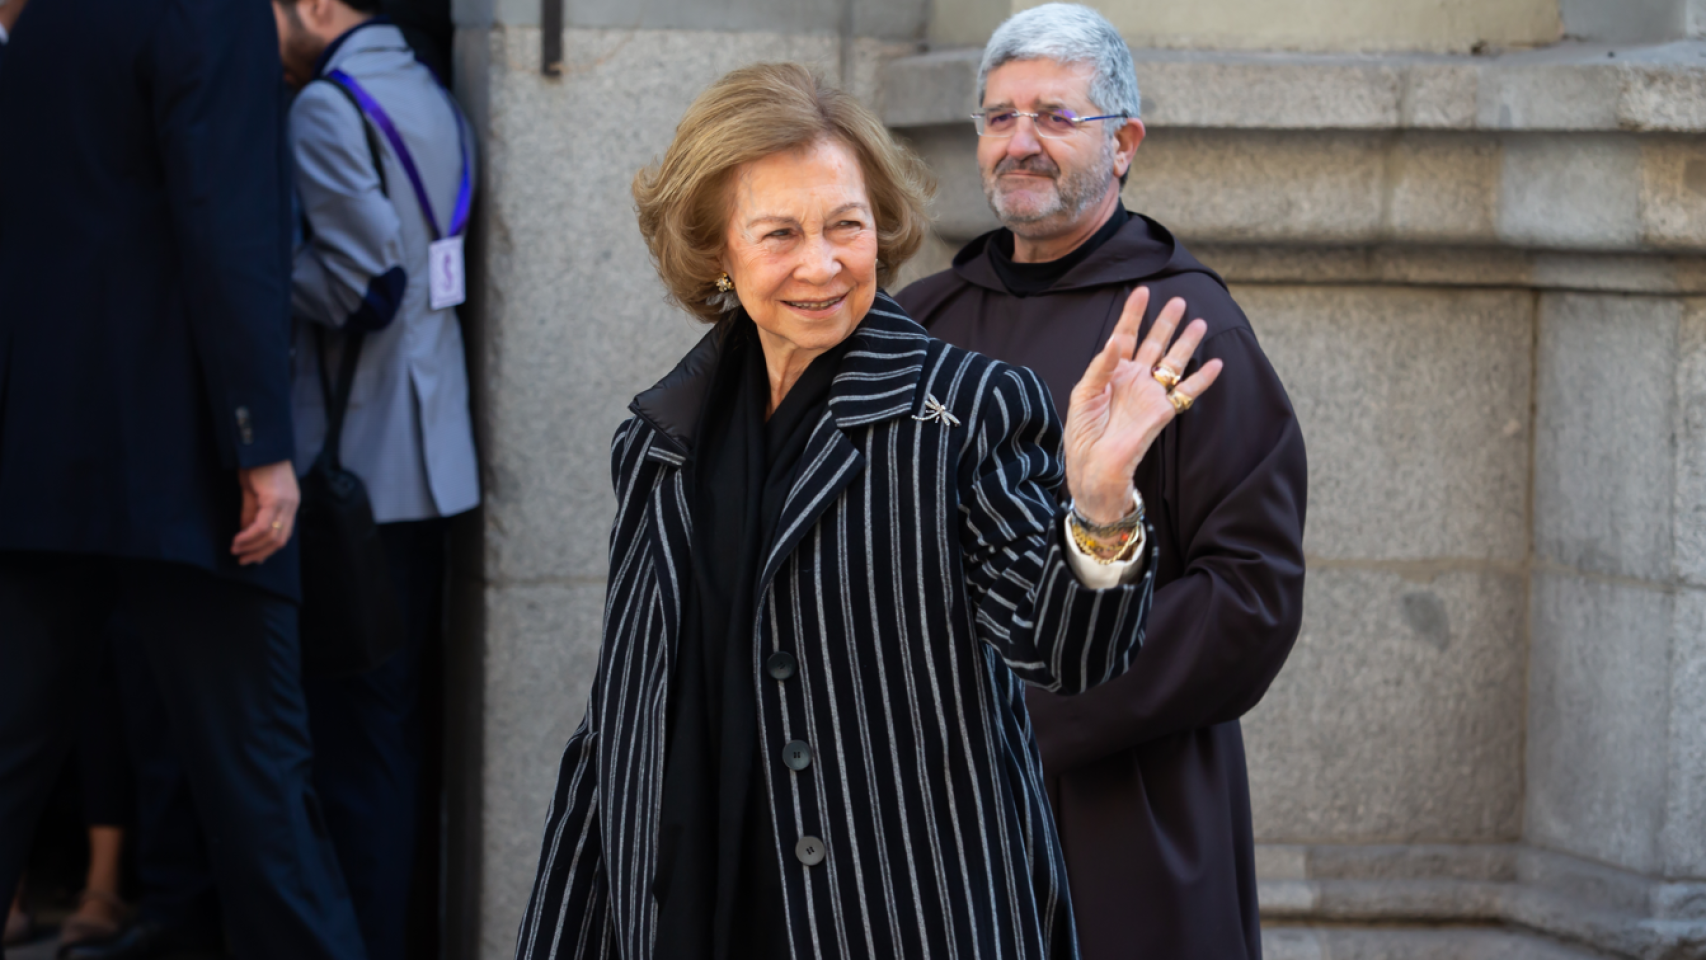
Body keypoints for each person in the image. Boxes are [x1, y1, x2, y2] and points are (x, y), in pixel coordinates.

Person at [515, 62, 1224, 960]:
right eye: (779, 234)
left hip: (907, 922)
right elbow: (619, 725)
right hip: (692, 916)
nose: (823, 263)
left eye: (846, 225)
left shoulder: (966, 411)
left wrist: (1100, 504)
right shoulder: (658, 442)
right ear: (715, 252)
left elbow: (1067, 649)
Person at [895, 6, 1309, 959]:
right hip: (929, 813)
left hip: (1121, 813)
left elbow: (1249, 599)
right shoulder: (919, 321)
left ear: (1122, 142)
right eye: (999, 117)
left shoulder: (1188, 329)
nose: (1020, 142)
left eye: (1054, 116)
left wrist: (1023, 716)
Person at [0, 1, 368, 959]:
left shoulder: (45, 23)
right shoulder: (210, 11)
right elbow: (230, 227)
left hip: (39, 452)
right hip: (186, 466)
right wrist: (259, 445)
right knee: (264, 789)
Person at [272, 3, 481, 959]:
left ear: (318, 7)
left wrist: (254, 273)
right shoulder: (431, 90)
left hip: (357, 468)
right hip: (432, 456)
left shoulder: (325, 105)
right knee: (390, 731)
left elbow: (364, 287)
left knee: (356, 742)